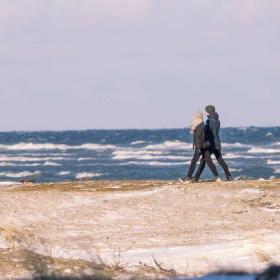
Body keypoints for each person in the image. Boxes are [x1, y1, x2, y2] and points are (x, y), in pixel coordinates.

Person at [193, 105, 233, 182]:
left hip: (211, 144)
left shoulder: (209, 121)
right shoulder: (217, 120)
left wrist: (197, 129)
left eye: (206, 111)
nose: (205, 112)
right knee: (220, 161)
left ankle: (197, 178)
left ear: (208, 111)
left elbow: (207, 132)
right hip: (217, 143)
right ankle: (229, 177)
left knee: (204, 160)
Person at [180, 111, 218, 182]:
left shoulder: (200, 126)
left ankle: (188, 178)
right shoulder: (200, 125)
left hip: (200, 147)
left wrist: (199, 148)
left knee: (193, 162)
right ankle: (217, 176)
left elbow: (202, 138)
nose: (193, 118)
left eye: (195, 117)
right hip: (204, 147)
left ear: (197, 118)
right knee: (209, 161)